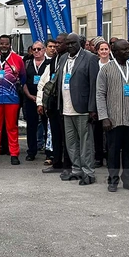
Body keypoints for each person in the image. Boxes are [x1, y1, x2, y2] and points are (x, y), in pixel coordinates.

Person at [98, 39, 129, 192]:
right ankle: (113, 180)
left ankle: (128, 180)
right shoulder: (105, 70)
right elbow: (100, 95)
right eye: (125, 49)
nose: (128, 51)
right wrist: (104, 117)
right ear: (115, 51)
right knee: (113, 152)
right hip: (113, 120)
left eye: (128, 49)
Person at [57, 33, 98, 185]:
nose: (70, 46)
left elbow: (94, 85)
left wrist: (92, 108)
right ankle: (76, 170)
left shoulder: (90, 58)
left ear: (79, 43)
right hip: (66, 107)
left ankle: (88, 173)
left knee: (85, 143)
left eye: (73, 43)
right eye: (67, 44)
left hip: (83, 108)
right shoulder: (63, 58)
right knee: (71, 142)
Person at [0, 34, 26, 165]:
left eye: (6, 44)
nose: (4, 46)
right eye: (2, 43)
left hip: (12, 99)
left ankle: (14, 154)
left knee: (12, 127)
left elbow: (23, 77)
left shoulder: (17, 59)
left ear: (10, 45)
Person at [36, 33, 72, 173]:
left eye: (60, 42)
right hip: (54, 105)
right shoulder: (53, 60)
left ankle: (69, 165)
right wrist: (41, 102)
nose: (57, 45)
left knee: (67, 137)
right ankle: (57, 163)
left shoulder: (69, 59)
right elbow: (44, 83)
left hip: (67, 104)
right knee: (56, 135)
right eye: (56, 42)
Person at [22, 40, 49, 161]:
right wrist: (29, 96)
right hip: (30, 98)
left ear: (44, 50)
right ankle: (31, 151)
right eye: (34, 49)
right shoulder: (27, 63)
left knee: (47, 126)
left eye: (39, 49)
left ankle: (49, 151)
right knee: (31, 126)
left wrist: (41, 99)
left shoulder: (49, 64)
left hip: (45, 100)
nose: (37, 51)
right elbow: (23, 82)